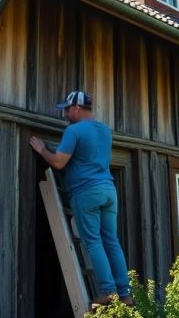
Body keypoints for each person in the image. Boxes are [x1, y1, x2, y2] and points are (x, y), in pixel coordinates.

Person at [29, 90, 133, 307]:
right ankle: (125, 294)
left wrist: (42, 150)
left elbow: (58, 162)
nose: (65, 113)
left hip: (87, 192)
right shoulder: (104, 130)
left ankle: (108, 291)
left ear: (76, 109)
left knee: (93, 242)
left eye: (67, 109)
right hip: (108, 190)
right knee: (112, 242)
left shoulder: (74, 131)